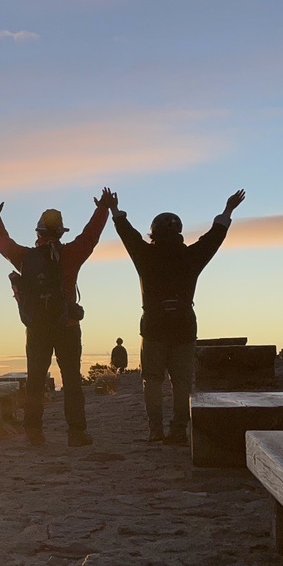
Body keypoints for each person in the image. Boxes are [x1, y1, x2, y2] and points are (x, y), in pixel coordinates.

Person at [103, 189, 246, 444]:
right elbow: (215, 237)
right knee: (182, 382)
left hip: (154, 325)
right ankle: (179, 430)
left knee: (153, 380)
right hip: (184, 324)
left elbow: (127, 234)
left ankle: (155, 430)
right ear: (179, 232)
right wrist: (228, 210)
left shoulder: (145, 255)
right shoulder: (191, 256)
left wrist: (114, 209)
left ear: (153, 233)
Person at [0, 189, 113, 446]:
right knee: (72, 380)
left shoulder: (25, 258)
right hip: (68, 325)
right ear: (60, 232)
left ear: (38, 233)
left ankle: (34, 433)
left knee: (35, 379)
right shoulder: (71, 254)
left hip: (37, 327)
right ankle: (76, 434)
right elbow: (91, 236)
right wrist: (103, 208)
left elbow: (3, 243)